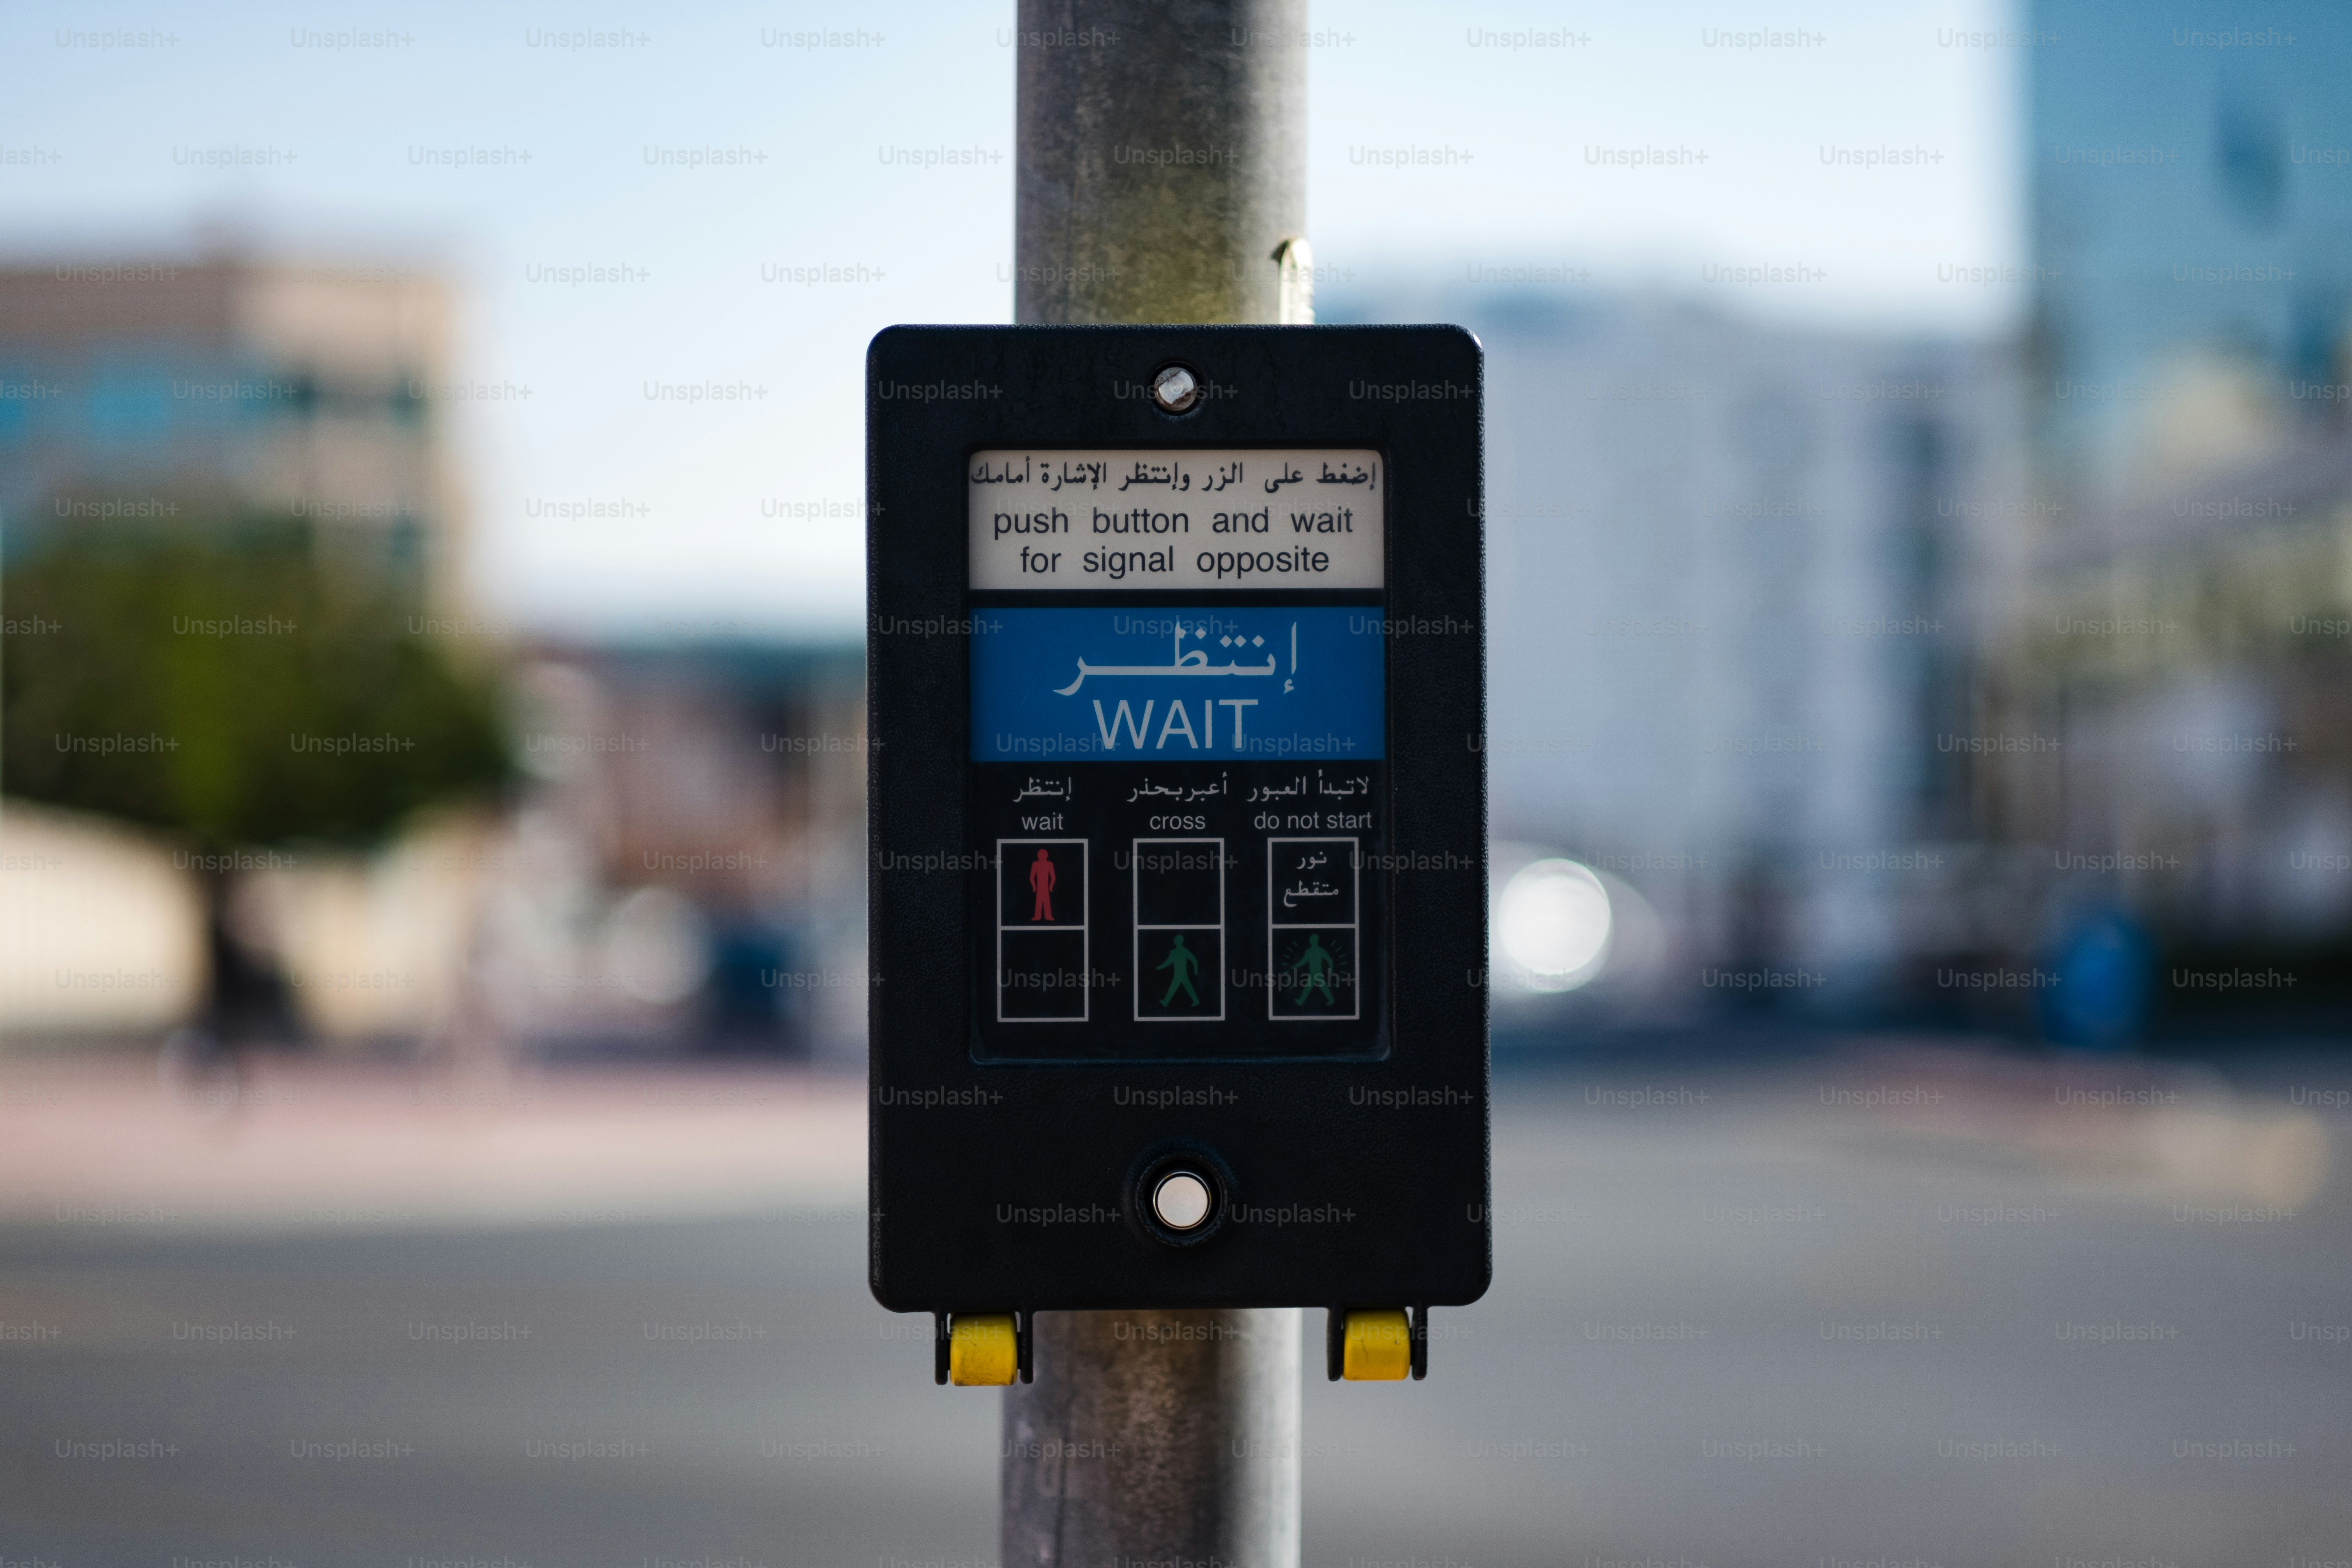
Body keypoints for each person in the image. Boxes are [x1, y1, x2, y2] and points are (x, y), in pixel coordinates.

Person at [1156, 933, 1201, 1008]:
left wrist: (1159, 968)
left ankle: (1166, 1002)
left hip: (1180, 975)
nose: (1175, 941)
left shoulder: (1176, 952)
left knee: (1176, 988)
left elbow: (1168, 963)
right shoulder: (1181, 951)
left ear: (1178, 941)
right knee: (1186, 987)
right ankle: (1196, 1001)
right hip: (1181, 974)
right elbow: (1195, 961)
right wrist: (1196, 972)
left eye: (1176, 940)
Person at [1295, 933, 1338, 1008]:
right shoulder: (1310, 951)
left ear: (1315, 941)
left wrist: (1331, 970)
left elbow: (1330, 960)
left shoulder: (1319, 951)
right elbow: (1303, 961)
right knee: (1312, 988)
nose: (1311, 941)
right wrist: (1295, 966)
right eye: (1311, 939)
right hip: (1314, 973)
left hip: (1318, 974)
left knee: (1319, 988)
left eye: (1313, 940)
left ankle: (1301, 1001)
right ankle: (1301, 1001)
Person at [1028, 847, 1056, 922]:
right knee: (1040, 901)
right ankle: (1038, 916)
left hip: (1044, 887)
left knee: (1045, 901)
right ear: (1038, 856)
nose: (1043, 857)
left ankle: (1048, 916)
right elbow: (1032, 878)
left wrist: (1051, 887)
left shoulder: (1049, 864)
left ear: (1047, 856)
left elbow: (1053, 877)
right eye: (1041, 855)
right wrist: (1034, 887)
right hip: (1041, 887)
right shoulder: (1035, 864)